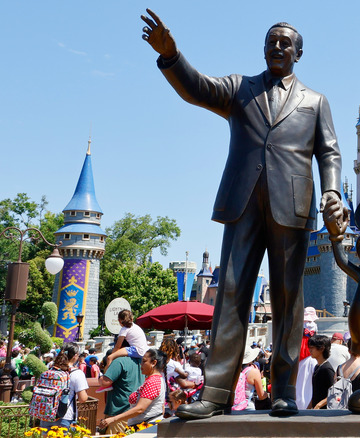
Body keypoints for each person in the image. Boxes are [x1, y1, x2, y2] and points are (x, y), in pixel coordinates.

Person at [140, 9, 345, 419]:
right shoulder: (240, 89)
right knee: (231, 294)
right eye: (272, 41)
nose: (278, 46)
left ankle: (285, 390)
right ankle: (215, 393)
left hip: (293, 206)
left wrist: (333, 190)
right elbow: (197, 89)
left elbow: (329, 151)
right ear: (263, 48)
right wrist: (172, 57)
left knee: (288, 301)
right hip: (243, 203)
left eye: (286, 42)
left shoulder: (315, 101)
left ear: (299, 53)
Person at [100, 349, 167, 431]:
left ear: (153, 363)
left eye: (144, 361)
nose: (141, 364)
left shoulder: (153, 382)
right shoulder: (156, 379)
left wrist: (113, 419)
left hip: (145, 428)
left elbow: (140, 409)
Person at [39, 343, 89, 430]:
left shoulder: (52, 369)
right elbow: (83, 398)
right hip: (65, 416)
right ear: (75, 356)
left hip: (47, 413)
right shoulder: (77, 373)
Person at [98, 355, 144, 435]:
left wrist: (110, 359)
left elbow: (104, 382)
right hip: (134, 412)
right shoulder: (142, 361)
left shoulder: (119, 361)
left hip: (118, 413)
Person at [232, 345, 267, 411]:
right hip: (247, 407)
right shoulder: (253, 371)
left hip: (232, 408)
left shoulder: (232, 370)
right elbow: (261, 396)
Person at [307, 335, 335, 409]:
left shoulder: (327, 369)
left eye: (312, 348)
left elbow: (333, 392)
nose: (310, 350)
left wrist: (319, 405)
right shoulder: (317, 367)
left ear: (321, 348)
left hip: (325, 411)